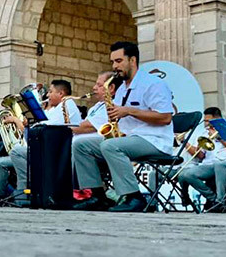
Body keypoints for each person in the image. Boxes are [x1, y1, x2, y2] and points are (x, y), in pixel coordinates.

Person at [73, 41, 174, 212]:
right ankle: (97, 196)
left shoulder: (153, 84)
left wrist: (129, 111)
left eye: (118, 61)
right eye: (113, 62)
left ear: (132, 60)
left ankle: (134, 197)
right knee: (81, 145)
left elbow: (165, 117)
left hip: (154, 140)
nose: (115, 66)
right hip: (128, 139)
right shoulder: (121, 89)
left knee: (110, 145)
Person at [7, 79, 83, 206]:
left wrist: (18, 121)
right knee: (17, 151)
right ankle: (28, 191)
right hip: (49, 148)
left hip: (59, 151)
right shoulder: (55, 108)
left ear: (61, 93)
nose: (47, 95)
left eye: (50, 92)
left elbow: (45, 129)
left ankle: (28, 190)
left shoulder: (67, 104)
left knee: (17, 152)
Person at [177, 107, 226, 209]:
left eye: (208, 121)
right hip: (209, 166)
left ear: (217, 119)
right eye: (205, 121)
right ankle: (214, 199)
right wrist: (197, 145)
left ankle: (220, 200)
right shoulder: (205, 132)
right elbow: (200, 156)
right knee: (186, 174)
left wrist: (219, 137)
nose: (206, 124)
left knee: (219, 164)